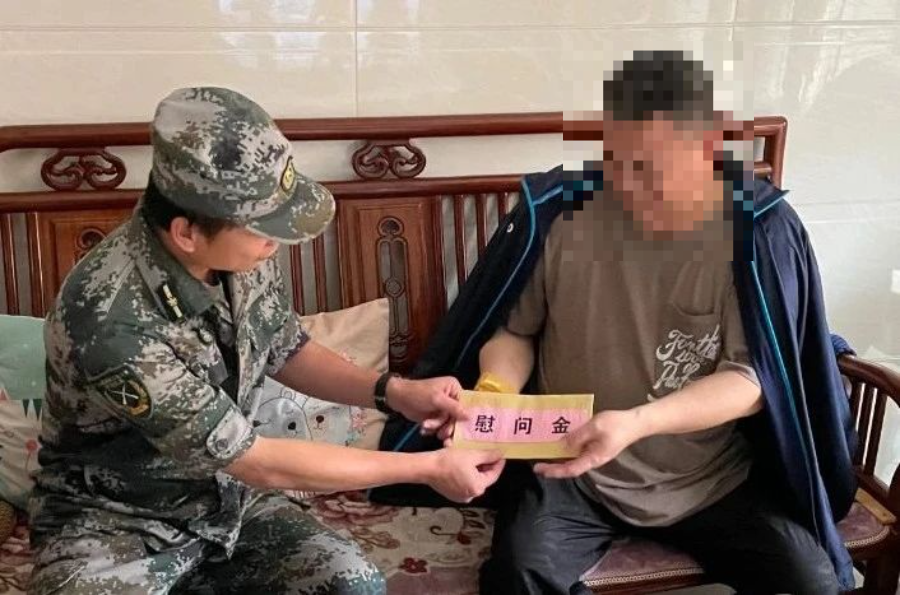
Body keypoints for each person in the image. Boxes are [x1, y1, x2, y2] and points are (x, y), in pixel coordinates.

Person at [29, 86, 504, 595]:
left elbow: (285, 347)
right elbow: (256, 461)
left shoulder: (238, 253)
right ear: (186, 232)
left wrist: (395, 392)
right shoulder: (110, 318)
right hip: (115, 523)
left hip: (226, 503)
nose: (274, 243)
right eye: (262, 229)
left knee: (351, 583)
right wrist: (429, 467)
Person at [473, 51, 849, 595]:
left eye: (650, 168)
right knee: (517, 573)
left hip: (708, 475)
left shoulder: (755, 235)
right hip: (574, 465)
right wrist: (495, 395)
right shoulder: (563, 215)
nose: (626, 186)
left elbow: (752, 379)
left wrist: (636, 423)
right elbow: (516, 331)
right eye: (616, 160)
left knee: (809, 581)